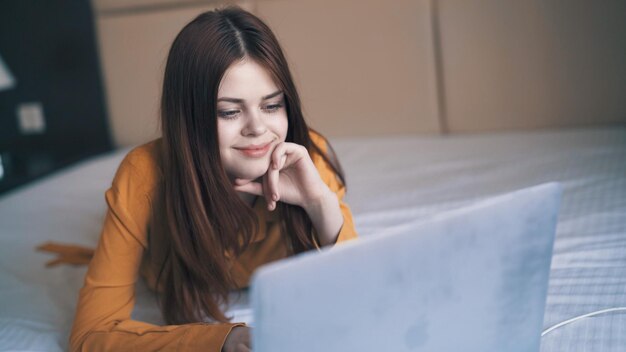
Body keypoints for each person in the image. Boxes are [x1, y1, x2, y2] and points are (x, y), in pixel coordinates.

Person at [67, 6, 358, 352]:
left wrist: (319, 203)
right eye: (229, 111)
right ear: (189, 120)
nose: (258, 129)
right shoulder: (142, 176)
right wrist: (222, 340)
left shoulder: (303, 158)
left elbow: (366, 298)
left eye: (272, 105)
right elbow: (90, 334)